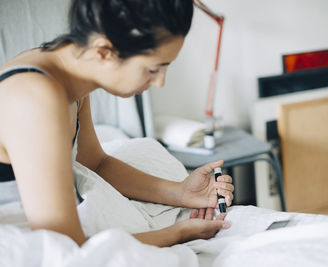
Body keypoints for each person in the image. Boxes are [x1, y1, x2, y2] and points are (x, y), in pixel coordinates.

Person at [0, 0, 234, 247]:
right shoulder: (35, 96)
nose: (160, 82)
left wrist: (181, 192)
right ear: (104, 52)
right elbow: (63, 246)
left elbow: (95, 163)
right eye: (153, 69)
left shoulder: (70, 75)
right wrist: (177, 233)